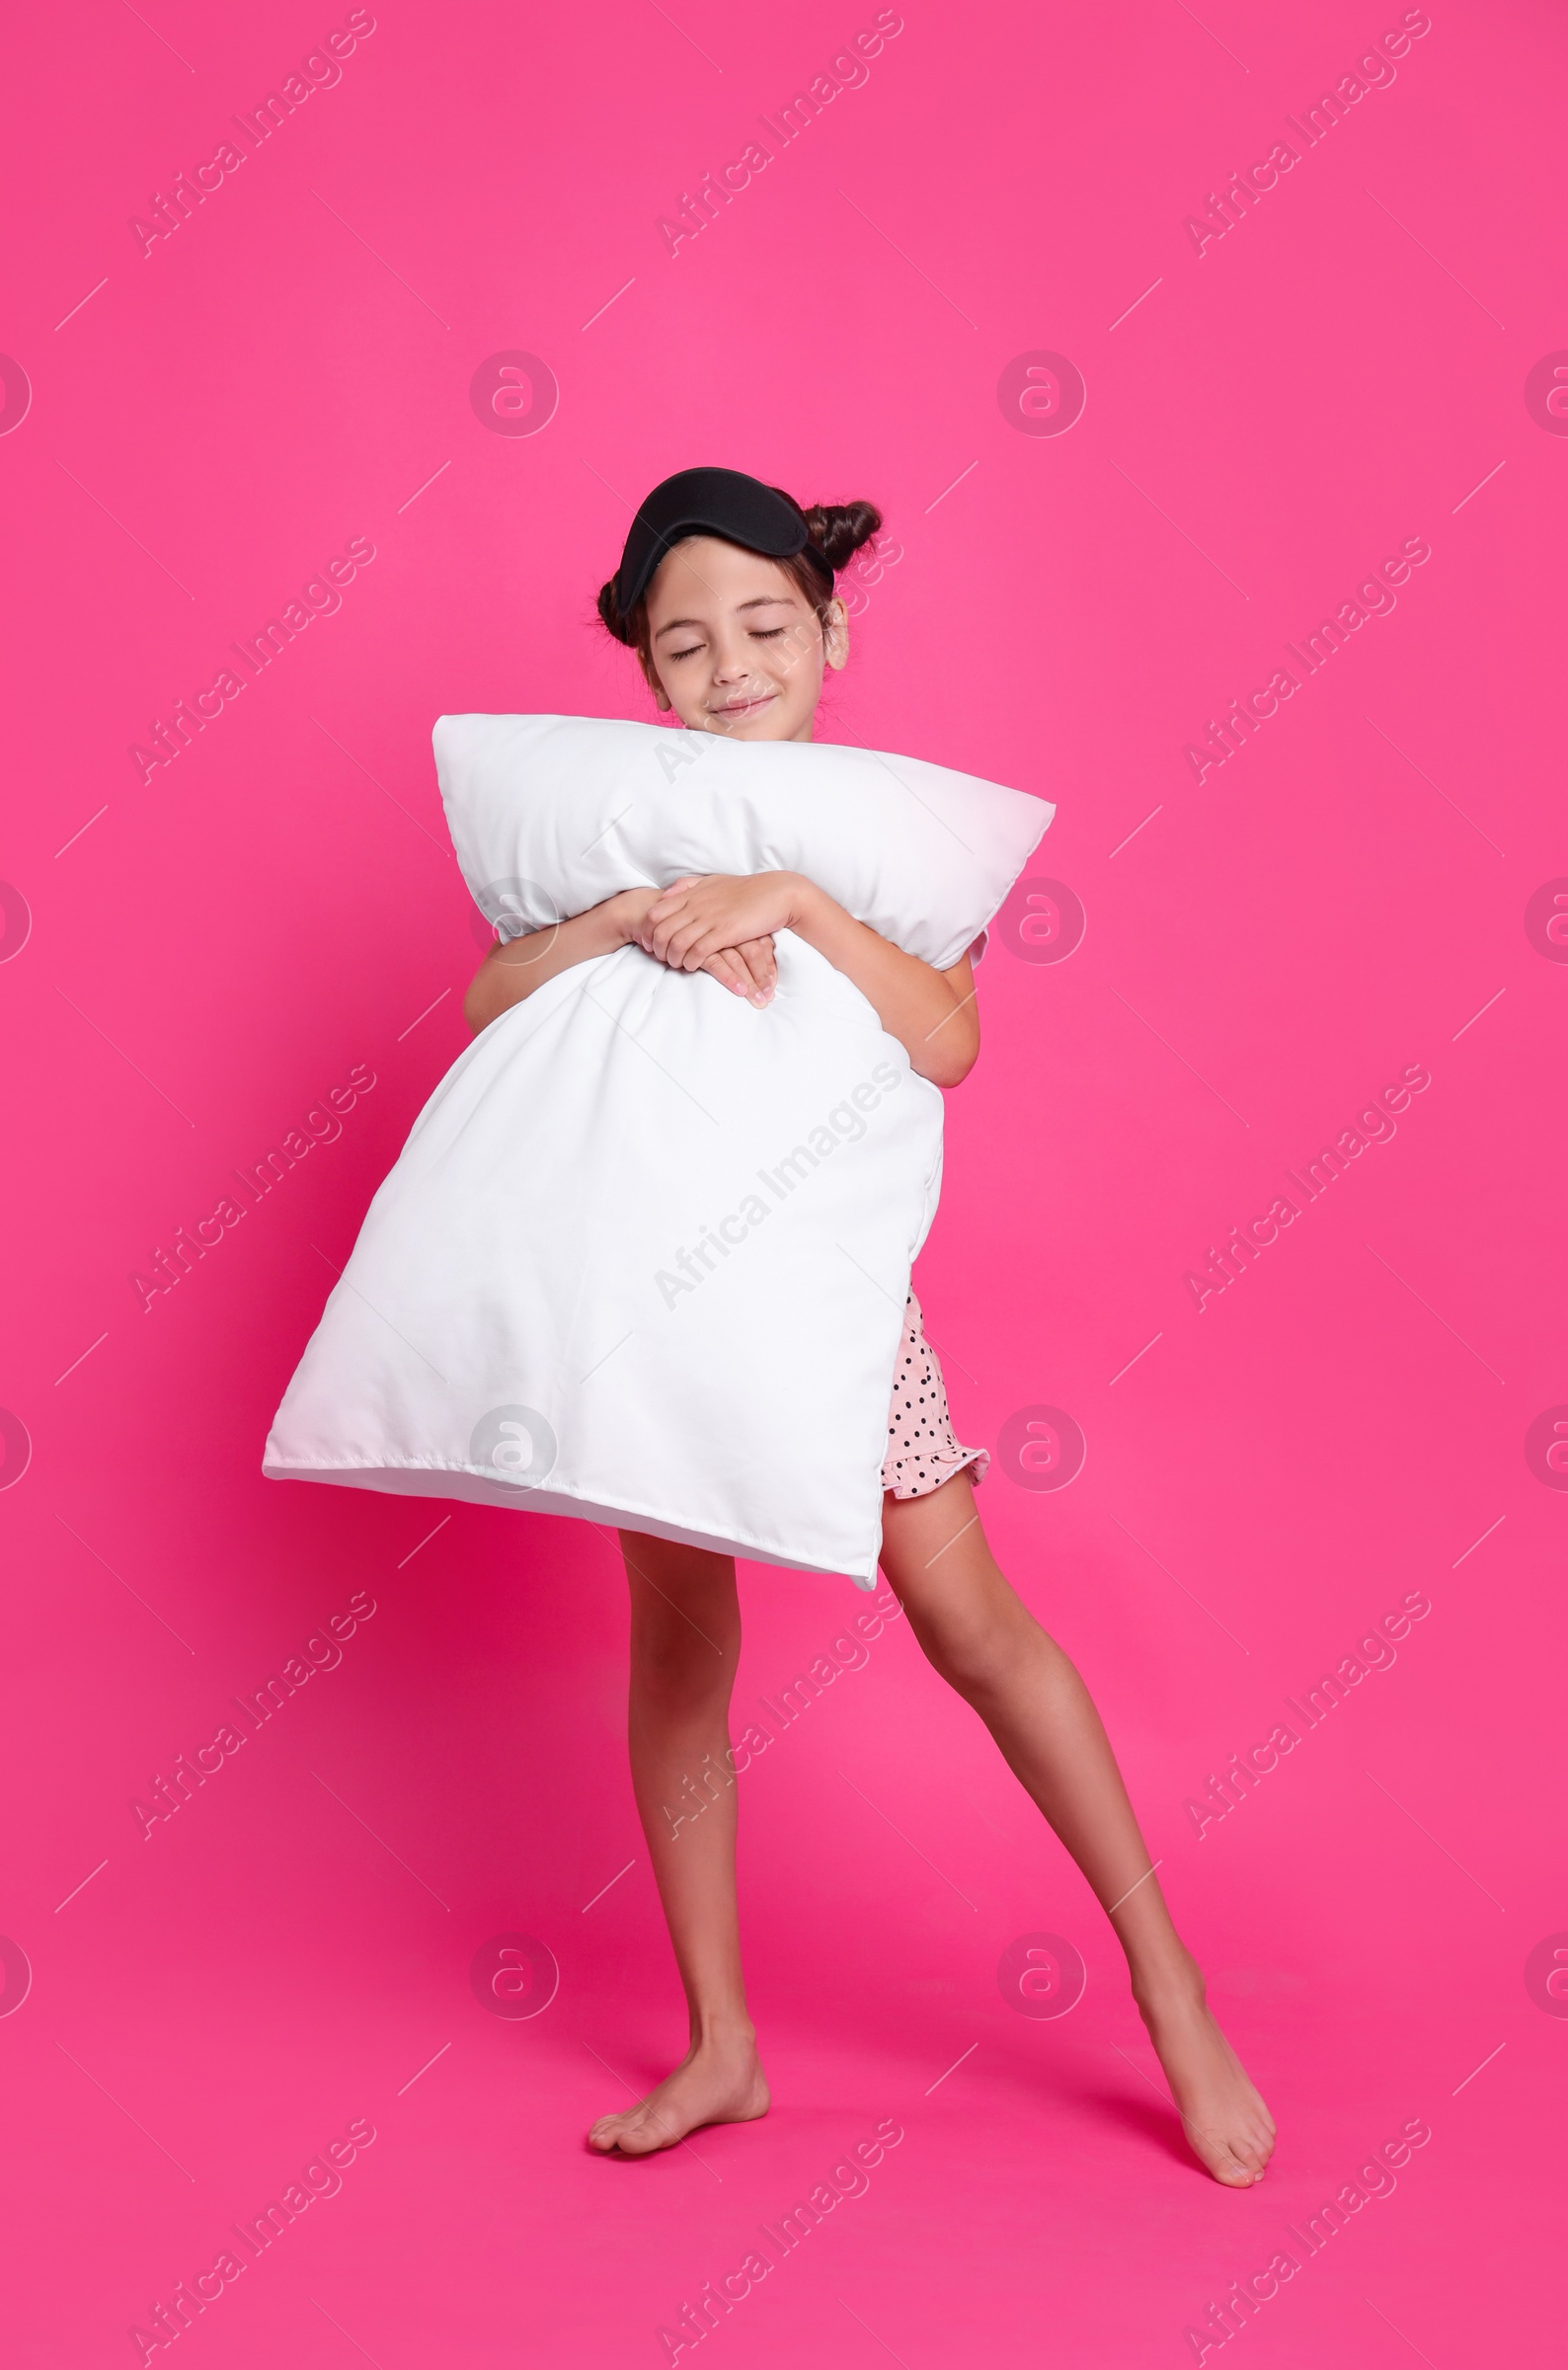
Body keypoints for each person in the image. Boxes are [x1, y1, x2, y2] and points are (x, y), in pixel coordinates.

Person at [463, 467, 1277, 2188]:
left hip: (822, 1294)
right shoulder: (611, 825)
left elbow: (951, 1043)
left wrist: (798, 905)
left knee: (968, 1618)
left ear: (830, 630)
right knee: (680, 1653)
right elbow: (483, 999)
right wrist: (627, 921)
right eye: (686, 643)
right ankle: (724, 2045)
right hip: (646, 1292)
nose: (730, 665)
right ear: (647, 673)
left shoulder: (885, 836)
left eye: (764, 626)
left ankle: (1170, 1982)